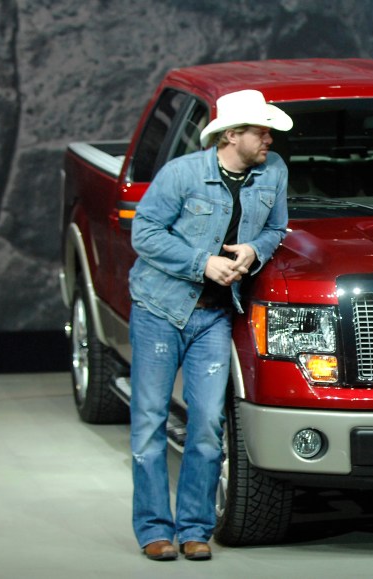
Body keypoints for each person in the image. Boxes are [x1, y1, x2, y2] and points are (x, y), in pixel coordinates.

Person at [128, 89, 291, 560]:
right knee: (149, 424)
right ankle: (155, 529)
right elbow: (145, 233)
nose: (269, 138)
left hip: (215, 317)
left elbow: (276, 229)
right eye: (261, 130)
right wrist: (202, 263)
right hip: (161, 311)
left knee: (206, 423)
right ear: (231, 135)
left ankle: (195, 528)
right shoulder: (183, 174)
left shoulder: (273, 171)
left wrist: (254, 250)